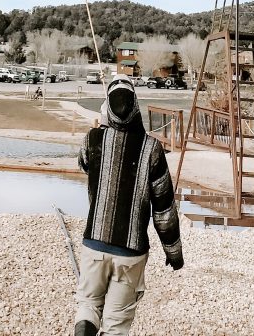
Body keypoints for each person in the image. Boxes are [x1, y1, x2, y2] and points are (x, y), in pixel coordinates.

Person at [74, 75, 184, 336]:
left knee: (88, 305)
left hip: (94, 243)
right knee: (116, 325)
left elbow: (83, 164)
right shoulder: (152, 148)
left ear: (107, 108)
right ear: (136, 107)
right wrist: (174, 253)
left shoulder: (93, 139)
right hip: (131, 252)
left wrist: (100, 128)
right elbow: (164, 209)